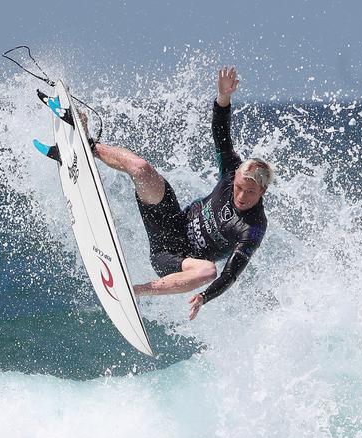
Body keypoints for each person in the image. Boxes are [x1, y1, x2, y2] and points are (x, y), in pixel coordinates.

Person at [90, 66, 273, 320]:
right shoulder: (233, 171)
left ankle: (133, 291)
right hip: (171, 223)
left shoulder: (253, 227)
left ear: (262, 191)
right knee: (142, 169)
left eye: (250, 192)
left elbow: (231, 273)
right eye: (239, 188)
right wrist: (224, 98)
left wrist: (204, 297)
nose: (241, 196)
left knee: (209, 271)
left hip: (179, 260)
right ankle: (90, 147)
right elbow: (221, 133)